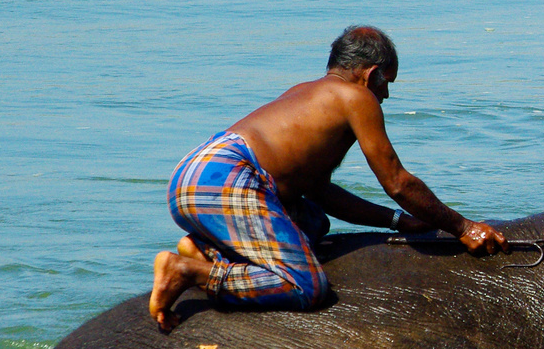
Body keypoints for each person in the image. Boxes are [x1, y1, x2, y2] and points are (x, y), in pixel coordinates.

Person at [148, 25, 507, 332]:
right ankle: (189, 271)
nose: (385, 95)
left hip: (196, 172)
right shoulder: (357, 97)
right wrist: (463, 227)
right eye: (386, 83)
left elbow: (319, 192)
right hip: (229, 178)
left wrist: (397, 221)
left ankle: (208, 249)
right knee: (307, 286)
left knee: (315, 222)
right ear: (371, 74)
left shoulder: (305, 92)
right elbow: (397, 182)